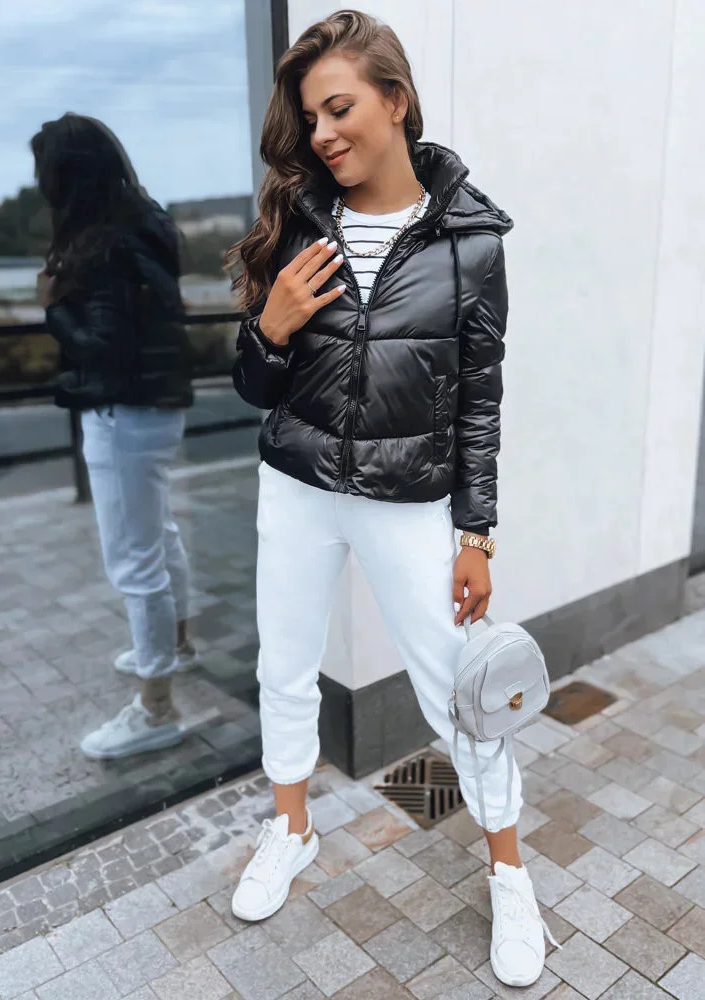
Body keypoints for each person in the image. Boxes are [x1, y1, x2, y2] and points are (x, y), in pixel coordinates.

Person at [227, 9, 554, 989]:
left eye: (339, 109)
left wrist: (476, 533)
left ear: (396, 100)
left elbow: (481, 400)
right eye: (310, 119)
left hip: (410, 499)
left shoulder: (472, 242)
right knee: (286, 667)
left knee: (460, 692)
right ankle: (292, 829)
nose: (322, 134)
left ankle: (509, 872)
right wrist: (272, 325)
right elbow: (252, 385)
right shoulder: (297, 218)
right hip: (295, 483)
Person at [32, 113, 199, 760]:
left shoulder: (103, 246)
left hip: (122, 413)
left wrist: (54, 307)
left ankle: (156, 708)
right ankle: (175, 645)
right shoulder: (146, 222)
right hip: (154, 408)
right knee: (159, 537)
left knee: (134, 561)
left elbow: (105, 347)